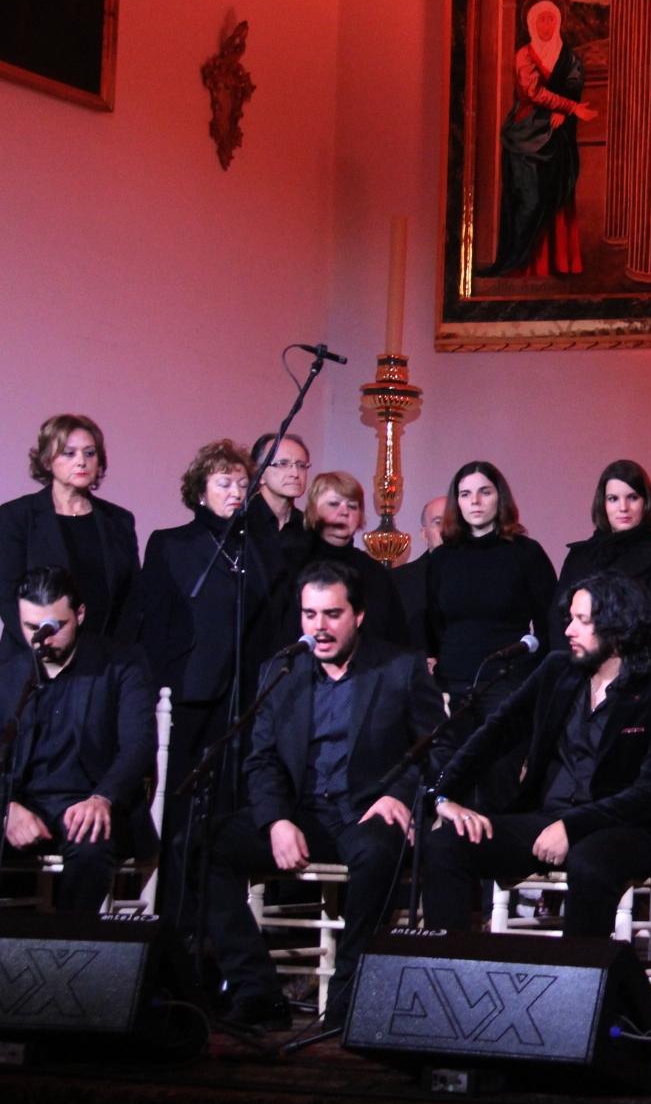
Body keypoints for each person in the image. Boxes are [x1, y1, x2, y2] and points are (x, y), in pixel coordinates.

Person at [203, 561, 443, 1029]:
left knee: (379, 853)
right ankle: (257, 992)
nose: (319, 627)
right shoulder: (282, 670)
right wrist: (275, 820)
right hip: (303, 814)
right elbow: (262, 759)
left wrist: (400, 794)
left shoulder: (399, 667)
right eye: (310, 614)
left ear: (358, 615)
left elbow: (438, 746)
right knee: (197, 844)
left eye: (332, 614)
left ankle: (346, 1002)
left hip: (366, 811)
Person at [424, 570, 651, 936]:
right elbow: (493, 735)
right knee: (445, 845)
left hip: (624, 829)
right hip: (547, 818)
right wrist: (444, 795)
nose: (568, 630)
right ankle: (447, 966)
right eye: (570, 619)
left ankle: (578, 972)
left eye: (582, 620)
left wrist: (572, 826)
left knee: (589, 861)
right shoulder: (556, 671)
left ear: (618, 628)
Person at [0, 566, 155, 912]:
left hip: (87, 807)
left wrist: (102, 797)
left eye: (53, 628)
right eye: (31, 628)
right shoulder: (2, 679)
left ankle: (64, 944)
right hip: (24, 809)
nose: (43, 639)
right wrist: (6, 811)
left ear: (79, 614)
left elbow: (138, 746)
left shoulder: (121, 665)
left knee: (90, 845)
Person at [139, 439, 276, 886]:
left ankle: (220, 903)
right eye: (224, 483)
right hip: (189, 692)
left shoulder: (259, 548)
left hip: (245, 696)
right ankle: (174, 899)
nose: (236, 492)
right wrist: (156, 690)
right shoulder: (171, 544)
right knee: (182, 799)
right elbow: (154, 624)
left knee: (231, 802)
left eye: (242, 483)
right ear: (200, 491)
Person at [425, 461, 559, 808]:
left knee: (497, 782)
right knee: (450, 782)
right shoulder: (442, 558)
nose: (475, 501)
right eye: (465, 494)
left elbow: (551, 623)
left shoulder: (526, 553)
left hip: (506, 683)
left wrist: (534, 677)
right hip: (454, 684)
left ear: (500, 497)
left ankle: (496, 840)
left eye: (484, 492)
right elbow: (434, 622)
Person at [0, 414, 139, 661]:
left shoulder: (119, 520)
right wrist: (48, 650)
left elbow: (130, 600)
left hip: (102, 663)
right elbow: (7, 596)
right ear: (47, 461)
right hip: (37, 660)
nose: (81, 461)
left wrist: (115, 657)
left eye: (90, 453)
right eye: (69, 453)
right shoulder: (18, 516)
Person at [478, 0, 598, 279]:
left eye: (551, 19)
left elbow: (573, 85)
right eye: (542, 19)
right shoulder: (524, 55)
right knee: (528, 200)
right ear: (532, 23)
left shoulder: (569, 58)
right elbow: (533, 92)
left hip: (559, 138)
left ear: (558, 22)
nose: (547, 25)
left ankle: (558, 263)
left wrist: (564, 112)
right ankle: (520, 262)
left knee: (556, 196)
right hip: (527, 135)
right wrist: (569, 108)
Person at [297, 469, 410, 649]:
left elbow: (396, 637)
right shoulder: (296, 564)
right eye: (334, 504)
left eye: (352, 506)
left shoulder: (375, 573)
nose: (344, 512)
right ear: (313, 510)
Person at [555, 460, 651, 617]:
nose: (623, 508)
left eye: (632, 497)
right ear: (603, 504)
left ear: (646, 502)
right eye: (613, 499)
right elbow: (557, 617)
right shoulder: (579, 555)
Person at [249, 431, 313, 569]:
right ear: (259, 473)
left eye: (301, 465)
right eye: (282, 464)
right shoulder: (242, 521)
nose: (295, 474)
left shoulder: (309, 527)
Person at [394, 494, 448, 649]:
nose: (446, 530)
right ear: (424, 534)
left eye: (453, 522)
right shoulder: (398, 581)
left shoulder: (480, 578)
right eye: (438, 522)